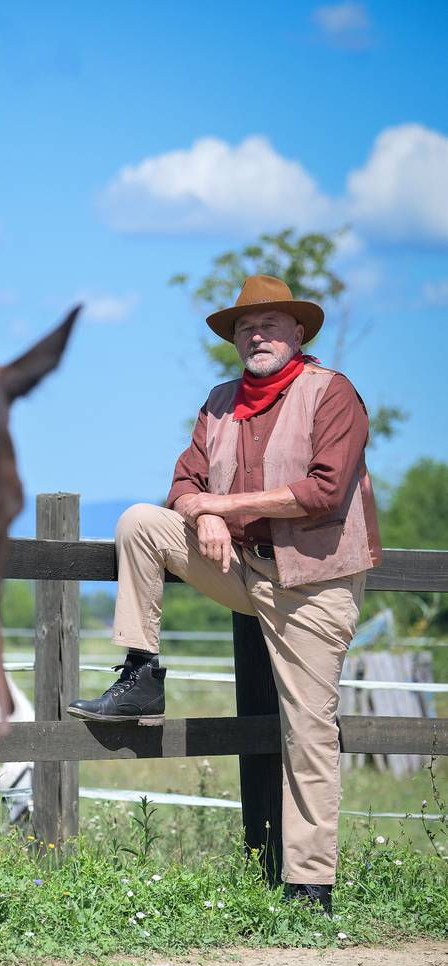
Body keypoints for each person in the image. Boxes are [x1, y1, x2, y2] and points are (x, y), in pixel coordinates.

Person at [68, 275, 381, 913]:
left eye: (269, 324)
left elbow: (324, 491)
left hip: (313, 584)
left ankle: (309, 886)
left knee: (309, 733)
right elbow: (182, 482)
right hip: (241, 567)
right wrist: (204, 513)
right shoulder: (218, 402)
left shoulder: (333, 394)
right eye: (245, 327)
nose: (256, 335)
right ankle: (140, 670)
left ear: (298, 333)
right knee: (139, 522)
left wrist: (224, 503)